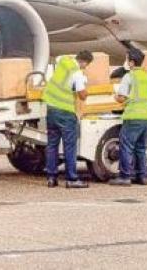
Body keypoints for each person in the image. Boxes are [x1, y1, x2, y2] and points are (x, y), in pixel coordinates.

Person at [43, 50, 93, 188]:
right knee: (69, 146)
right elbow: (82, 95)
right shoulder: (77, 73)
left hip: (51, 109)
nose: (85, 67)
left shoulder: (64, 61)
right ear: (84, 62)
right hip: (65, 112)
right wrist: (86, 88)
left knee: (52, 145)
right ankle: (71, 179)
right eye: (86, 65)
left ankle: (51, 178)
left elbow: (60, 57)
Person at [109, 49, 147, 186]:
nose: (127, 62)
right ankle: (142, 177)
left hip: (133, 116)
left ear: (132, 62)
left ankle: (125, 177)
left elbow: (122, 98)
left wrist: (115, 96)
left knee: (126, 146)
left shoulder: (129, 77)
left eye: (127, 60)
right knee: (141, 148)